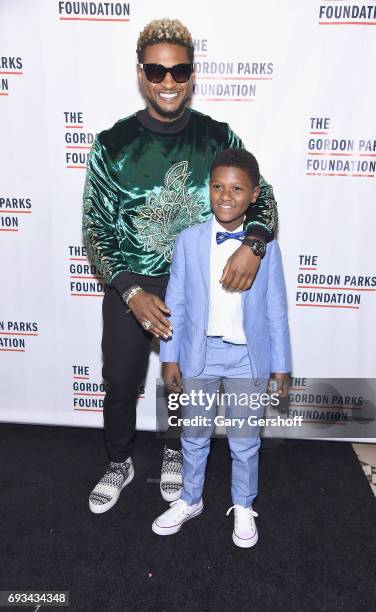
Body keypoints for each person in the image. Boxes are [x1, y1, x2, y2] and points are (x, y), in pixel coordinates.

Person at [83, 18, 278, 514]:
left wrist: (252, 243)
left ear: (192, 75)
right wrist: (129, 290)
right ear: (141, 74)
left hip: (200, 286)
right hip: (133, 285)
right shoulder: (111, 144)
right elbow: (95, 229)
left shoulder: (217, 135)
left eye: (179, 70)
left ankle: (174, 450)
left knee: (182, 379)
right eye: (156, 70)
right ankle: (119, 460)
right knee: (122, 380)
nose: (168, 81)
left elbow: (264, 196)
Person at [152, 148, 291, 547]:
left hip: (248, 358)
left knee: (245, 440)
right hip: (199, 355)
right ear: (208, 189)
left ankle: (243, 505)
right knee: (193, 434)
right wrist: (170, 356)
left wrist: (281, 365)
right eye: (217, 187)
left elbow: (275, 310)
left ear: (253, 194)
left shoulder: (266, 248)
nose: (225, 196)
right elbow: (175, 303)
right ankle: (190, 499)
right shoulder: (189, 241)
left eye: (236, 188)